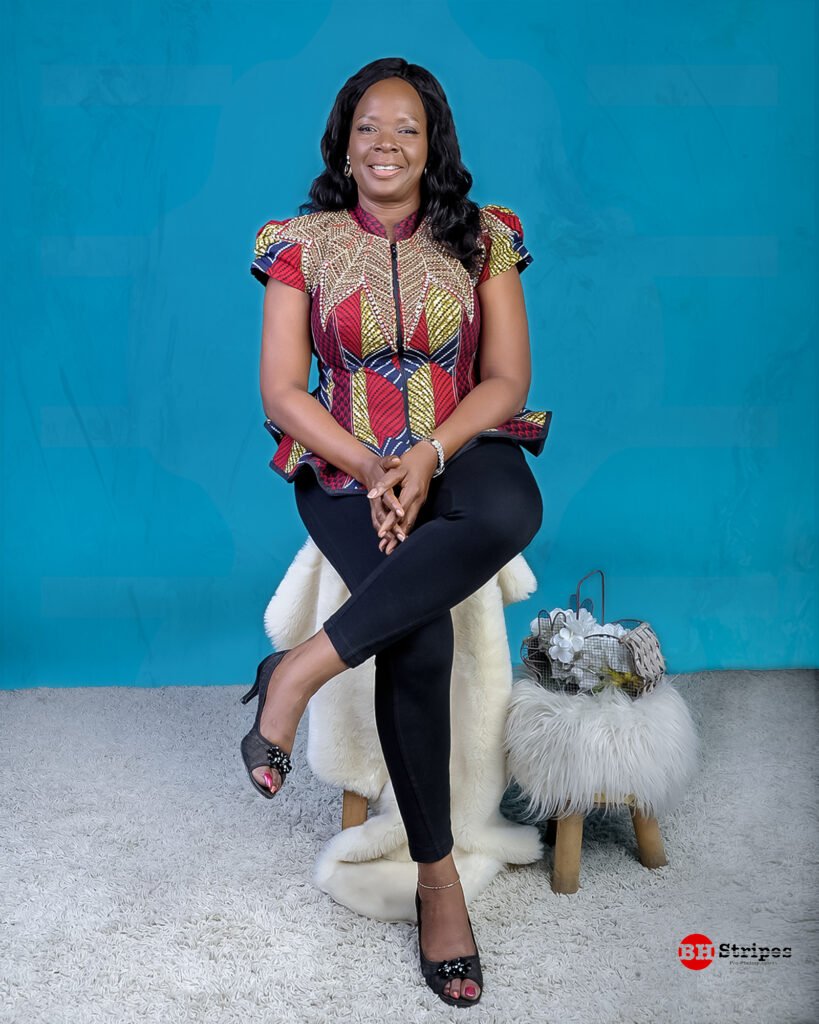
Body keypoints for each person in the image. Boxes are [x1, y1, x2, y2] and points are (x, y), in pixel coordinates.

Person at [241, 57, 552, 1008]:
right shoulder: (298, 245)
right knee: (417, 637)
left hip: (461, 444)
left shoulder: (484, 237)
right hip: (342, 461)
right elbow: (283, 391)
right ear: (343, 143)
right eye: (367, 127)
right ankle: (437, 880)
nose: (385, 144)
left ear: (432, 146)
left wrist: (427, 453)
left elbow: (507, 380)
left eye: (406, 129)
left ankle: (294, 672)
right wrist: (374, 467)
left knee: (512, 509)